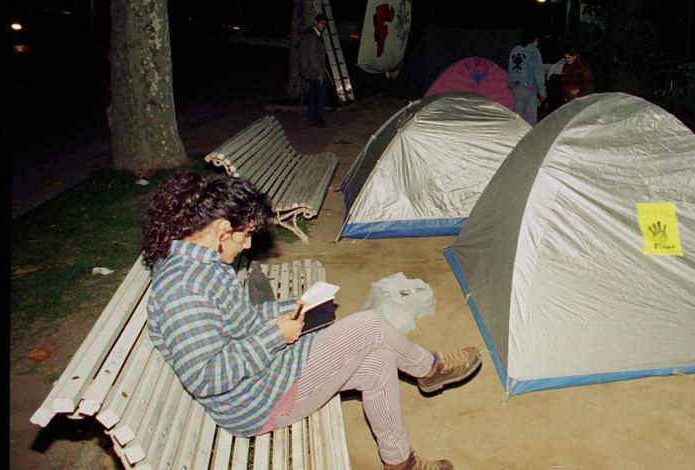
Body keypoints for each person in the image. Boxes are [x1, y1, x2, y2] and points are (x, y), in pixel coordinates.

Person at [142, 172, 482, 470]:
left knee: (379, 361)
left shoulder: (205, 265)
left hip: (266, 375)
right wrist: (276, 335)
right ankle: (430, 369)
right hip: (255, 402)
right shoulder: (184, 289)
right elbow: (206, 377)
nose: (247, 246)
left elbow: (241, 322)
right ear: (219, 228)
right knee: (369, 325)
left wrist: (297, 306)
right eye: (245, 235)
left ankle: (400, 463)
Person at [507, 29, 547, 125]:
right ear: (534, 40)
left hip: (516, 87)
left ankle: (515, 136)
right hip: (529, 88)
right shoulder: (534, 51)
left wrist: (511, 84)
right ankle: (531, 138)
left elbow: (510, 67)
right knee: (531, 119)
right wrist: (542, 91)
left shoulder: (515, 50)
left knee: (517, 117)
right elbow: (538, 72)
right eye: (537, 41)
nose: (537, 44)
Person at [300, 12, 328, 127]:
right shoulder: (312, 36)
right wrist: (319, 73)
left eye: (324, 24)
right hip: (314, 71)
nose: (323, 26)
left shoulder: (311, 34)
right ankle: (318, 119)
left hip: (310, 70)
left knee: (313, 94)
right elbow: (312, 57)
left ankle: (312, 117)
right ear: (315, 22)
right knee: (320, 95)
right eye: (321, 23)